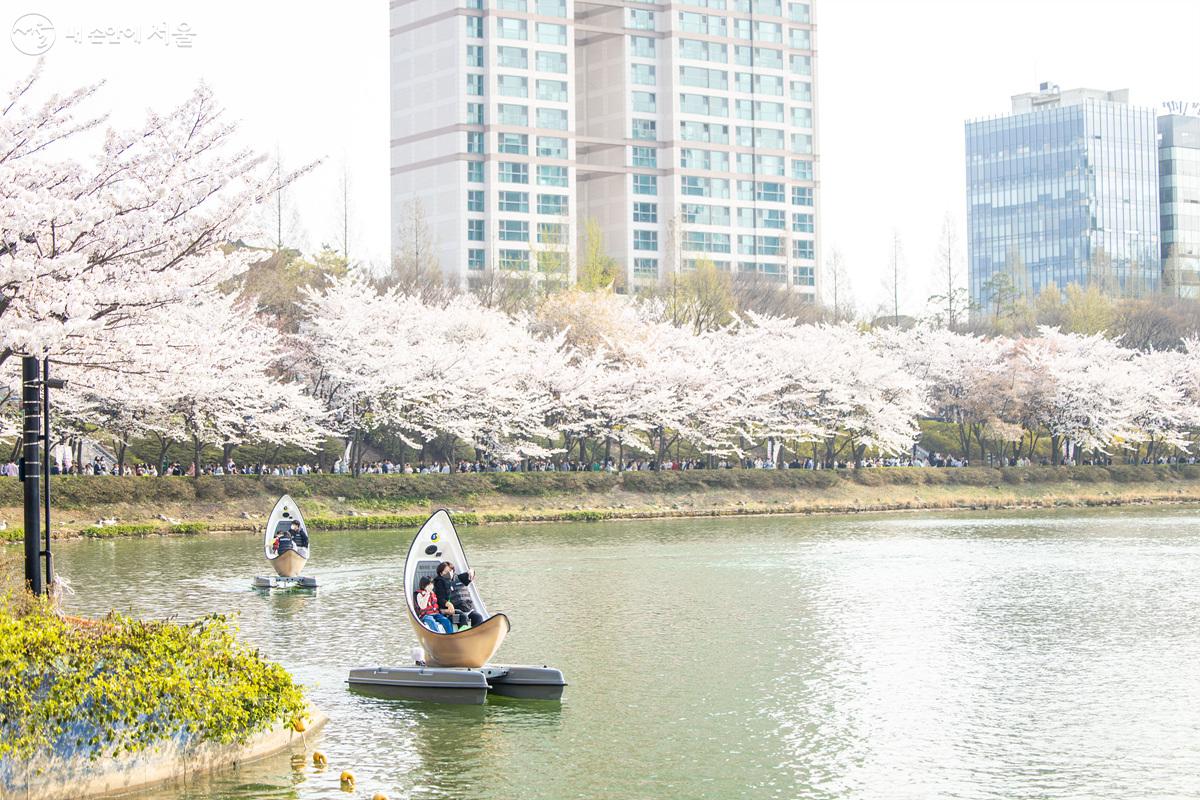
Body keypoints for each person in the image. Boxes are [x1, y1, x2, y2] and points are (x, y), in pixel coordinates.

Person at [434, 561, 484, 629]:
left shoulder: (459, 578)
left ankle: (477, 635)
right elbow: (440, 599)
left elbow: (471, 574)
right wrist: (448, 604)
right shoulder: (440, 583)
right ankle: (463, 636)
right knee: (463, 617)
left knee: (478, 617)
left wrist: (472, 571)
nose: (448, 573)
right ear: (441, 573)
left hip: (467, 610)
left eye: (450, 570)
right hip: (452, 615)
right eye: (445, 572)